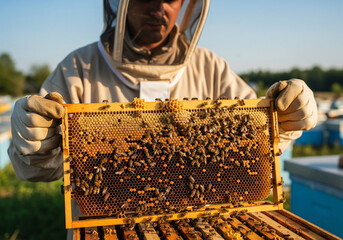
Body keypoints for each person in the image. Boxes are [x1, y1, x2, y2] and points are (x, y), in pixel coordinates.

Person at [9, 0, 317, 237]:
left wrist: (288, 119)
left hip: (204, 228)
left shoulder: (212, 67)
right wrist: (35, 142)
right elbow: (36, 168)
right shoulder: (77, 69)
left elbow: (257, 141)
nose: (159, 8)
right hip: (104, 229)